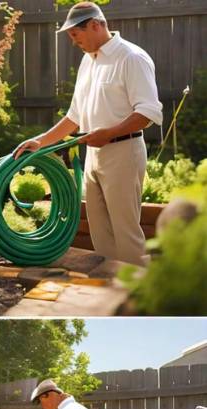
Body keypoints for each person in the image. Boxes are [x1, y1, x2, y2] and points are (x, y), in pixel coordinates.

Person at [14, 2, 162, 266]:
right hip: (95, 154)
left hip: (123, 153)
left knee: (126, 234)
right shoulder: (88, 61)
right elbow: (74, 116)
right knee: (101, 236)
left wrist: (108, 133)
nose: (74, 41)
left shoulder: (131, 58)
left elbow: (148, 113)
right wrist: (40, 141)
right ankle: (109, 296)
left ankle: (139, 298)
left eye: (75, 34)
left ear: (95, 25)